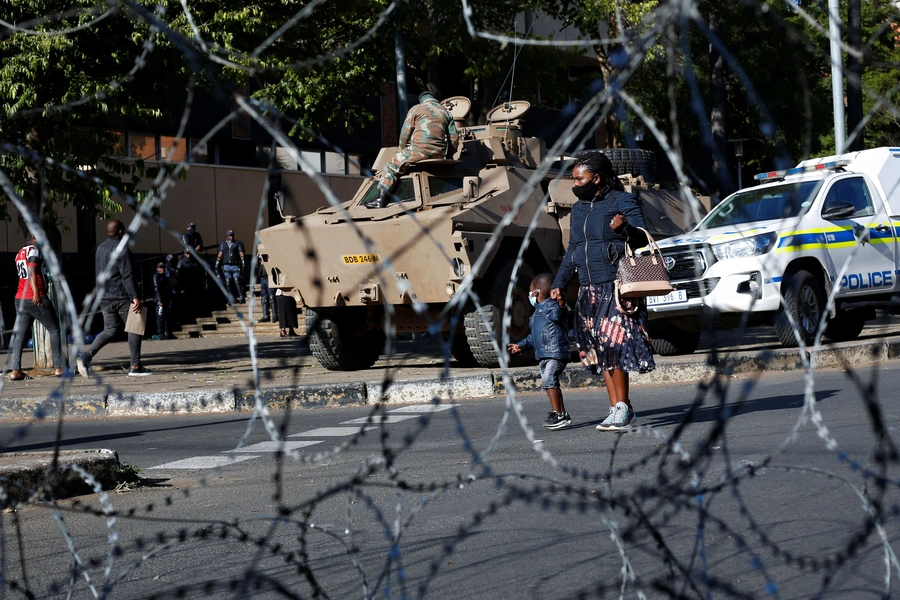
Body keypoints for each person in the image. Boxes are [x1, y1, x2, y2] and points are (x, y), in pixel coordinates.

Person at [550, 152, 655, 431]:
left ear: (596, 178)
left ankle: (622, 407)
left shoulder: (621, 201)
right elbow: (573, 249)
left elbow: (642, 237)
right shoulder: (579, 209)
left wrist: (625, 230)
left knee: (614, 346)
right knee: (598, 350)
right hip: (588, 288)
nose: (575, 183)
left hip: (615, 285)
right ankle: (618, 408)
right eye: (573, 179)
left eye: (579, 178)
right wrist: (559, 282)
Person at [78, 220, 152, 377]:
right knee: (135, 327)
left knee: (110, 330)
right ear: (121, 232)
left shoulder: (100, 248)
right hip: (121, 295)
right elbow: (127, 275)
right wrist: (135, 297)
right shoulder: (121, 248)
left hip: (104, 296)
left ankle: (86, 355)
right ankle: (135, 367)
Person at [365, 91, 459, 209]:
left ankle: (380, 200)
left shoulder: (416, 109)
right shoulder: (446, 113)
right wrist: (449, 156)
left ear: (422, 100)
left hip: (418, 151)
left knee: (390, 166)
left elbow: (405, 133)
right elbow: (454, 139)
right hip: (439, 153)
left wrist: (401, 150)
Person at [507, 273, 571, 430]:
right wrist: (521, 345)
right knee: (551, 383)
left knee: (548, 380)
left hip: (555, 353)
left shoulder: (552, 306)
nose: (529, 295)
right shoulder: (537, 312)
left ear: (536, 292)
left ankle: (558, 414)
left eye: (530, 292)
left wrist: (562, 302)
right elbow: (533, 336)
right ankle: (562, 414)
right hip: (544, 354)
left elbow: (560, 314)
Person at [9, 231, 65, 380]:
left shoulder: (19, 253)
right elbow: (32, 271)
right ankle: (60, 368)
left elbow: (23, 274)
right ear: (33, 237)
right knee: (54, 329)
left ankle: (15, 370)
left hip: (20, 298)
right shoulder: (34, 250)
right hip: (34, 297)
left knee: (20, 335)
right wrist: (36, 293)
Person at [216, 229, 246, 304]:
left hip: (235, 265)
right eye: (230, 235)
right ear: (227, 236)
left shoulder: (237, 243)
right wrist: (217, 261)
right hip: (226, 266)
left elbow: (241, 252)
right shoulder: (223, 244)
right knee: (228, 282)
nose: (231, 237)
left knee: (237, 281)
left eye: (232, 235)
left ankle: (241, 296)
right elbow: (220, 253)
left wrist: (243, 260)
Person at [152, 262, 173, 339]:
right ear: (157, 269)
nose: (162, 269)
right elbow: (156, 288)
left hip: (165, 298)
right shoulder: (156, 277)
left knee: (167, 316)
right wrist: (159, 300)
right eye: (160, 268)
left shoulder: (164, 277)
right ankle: (160, 333)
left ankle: (167, 332)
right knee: (160, 316)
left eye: (163, 268)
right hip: (159, 299)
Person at [255, 252, 277, 323]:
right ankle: (266, 315)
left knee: (272, 297)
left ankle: (275, 315)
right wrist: (257, 257)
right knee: (264, 298)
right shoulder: (259, 257)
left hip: (269, 276)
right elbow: (255, 266)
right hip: (262, 278)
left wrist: (266, 262)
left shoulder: (270, 253)